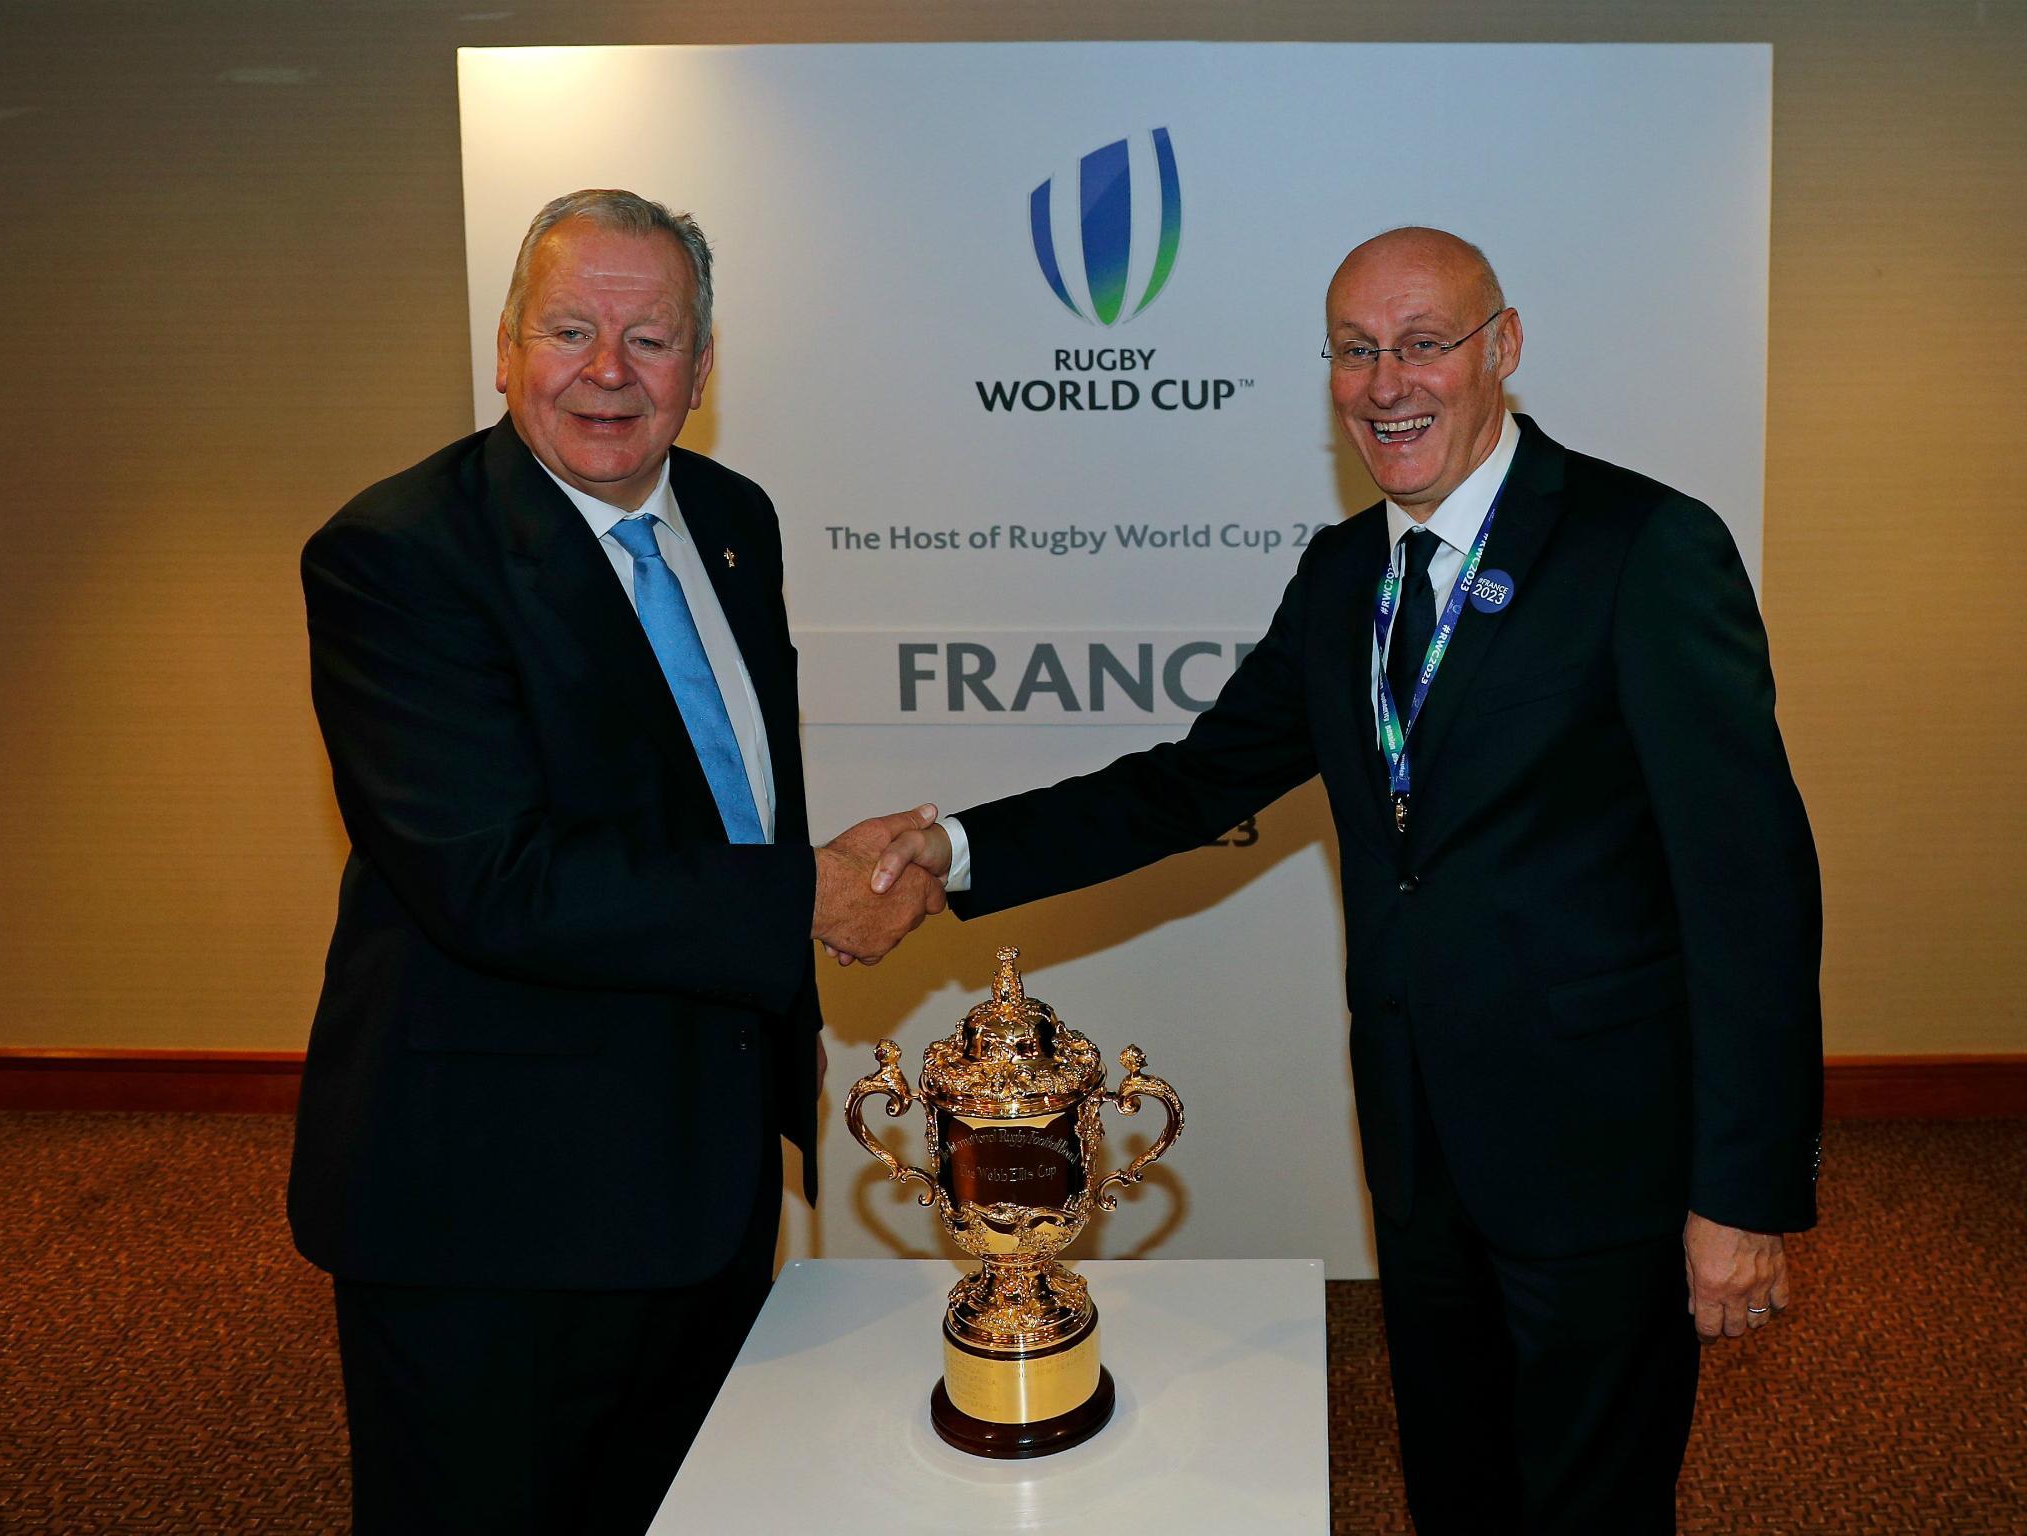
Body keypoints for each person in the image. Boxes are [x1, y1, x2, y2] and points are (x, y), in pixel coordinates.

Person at [869, 227, 1823, 1534]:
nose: (1389, 385)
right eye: (1357, 353)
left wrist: (1743, 1193)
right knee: (1456, 1481)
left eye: (1424, 345)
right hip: (1420, 1149)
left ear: (1504, 349)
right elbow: (1188, 783)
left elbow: (1752, 888)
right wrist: (955, 851)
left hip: (1604, 1161)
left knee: (1592, 1500)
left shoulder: (1642, 549)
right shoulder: (1342, 578)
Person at [289, 188, 942, 1535]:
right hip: (494, 1210)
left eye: (650, 340)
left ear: (701, 372)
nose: (607, 371)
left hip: (702, 1174)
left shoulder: (730, 517)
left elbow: (731, 795)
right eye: (570, 329)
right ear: (505, 347)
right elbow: (495, 879)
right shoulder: (399, 558)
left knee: (694, 1507)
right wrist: (797, 900)